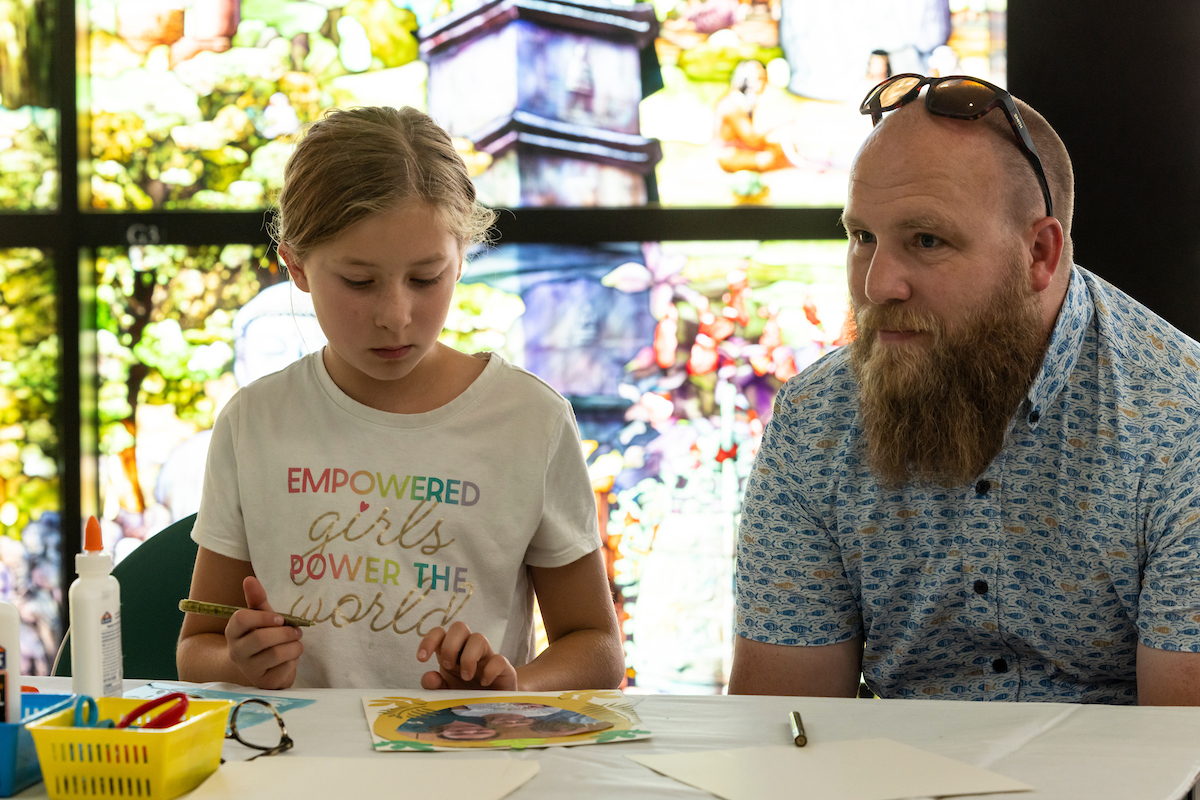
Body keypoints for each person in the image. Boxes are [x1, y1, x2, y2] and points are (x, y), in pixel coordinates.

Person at [729, 75, 1200, 704]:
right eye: (863, 238)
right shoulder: (816, 421)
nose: (878, 286)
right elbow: (786, 722)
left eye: (927, 241)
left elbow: (1182, 750)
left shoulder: (1179, 421)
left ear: (1039, 252)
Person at [176, 106, 625, 692]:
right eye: (359, 282)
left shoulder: (528, 420)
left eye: (426, 277)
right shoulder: (255, 422)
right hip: (298, 766)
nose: (396, 317)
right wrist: (241, 661)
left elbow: (596, 646)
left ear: (462, 257)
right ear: (296, 265)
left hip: (466, 765)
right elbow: (196, 647)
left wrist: (512, 686)